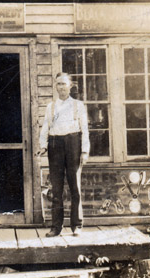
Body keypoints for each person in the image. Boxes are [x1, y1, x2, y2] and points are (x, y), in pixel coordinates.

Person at [38, 72, 90, 237]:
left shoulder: (78, 105)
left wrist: (84, 151)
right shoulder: (50, 107)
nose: (61, 87)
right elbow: (45, 127)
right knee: (56, 188)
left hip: (73, 144)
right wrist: (43, 146)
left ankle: (77, 225)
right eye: (58, 84)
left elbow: (85, 130)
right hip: (55, 146)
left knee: (75, 186)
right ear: (55, 86)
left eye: (64, 84)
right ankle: (56, 227)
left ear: (70, 86)